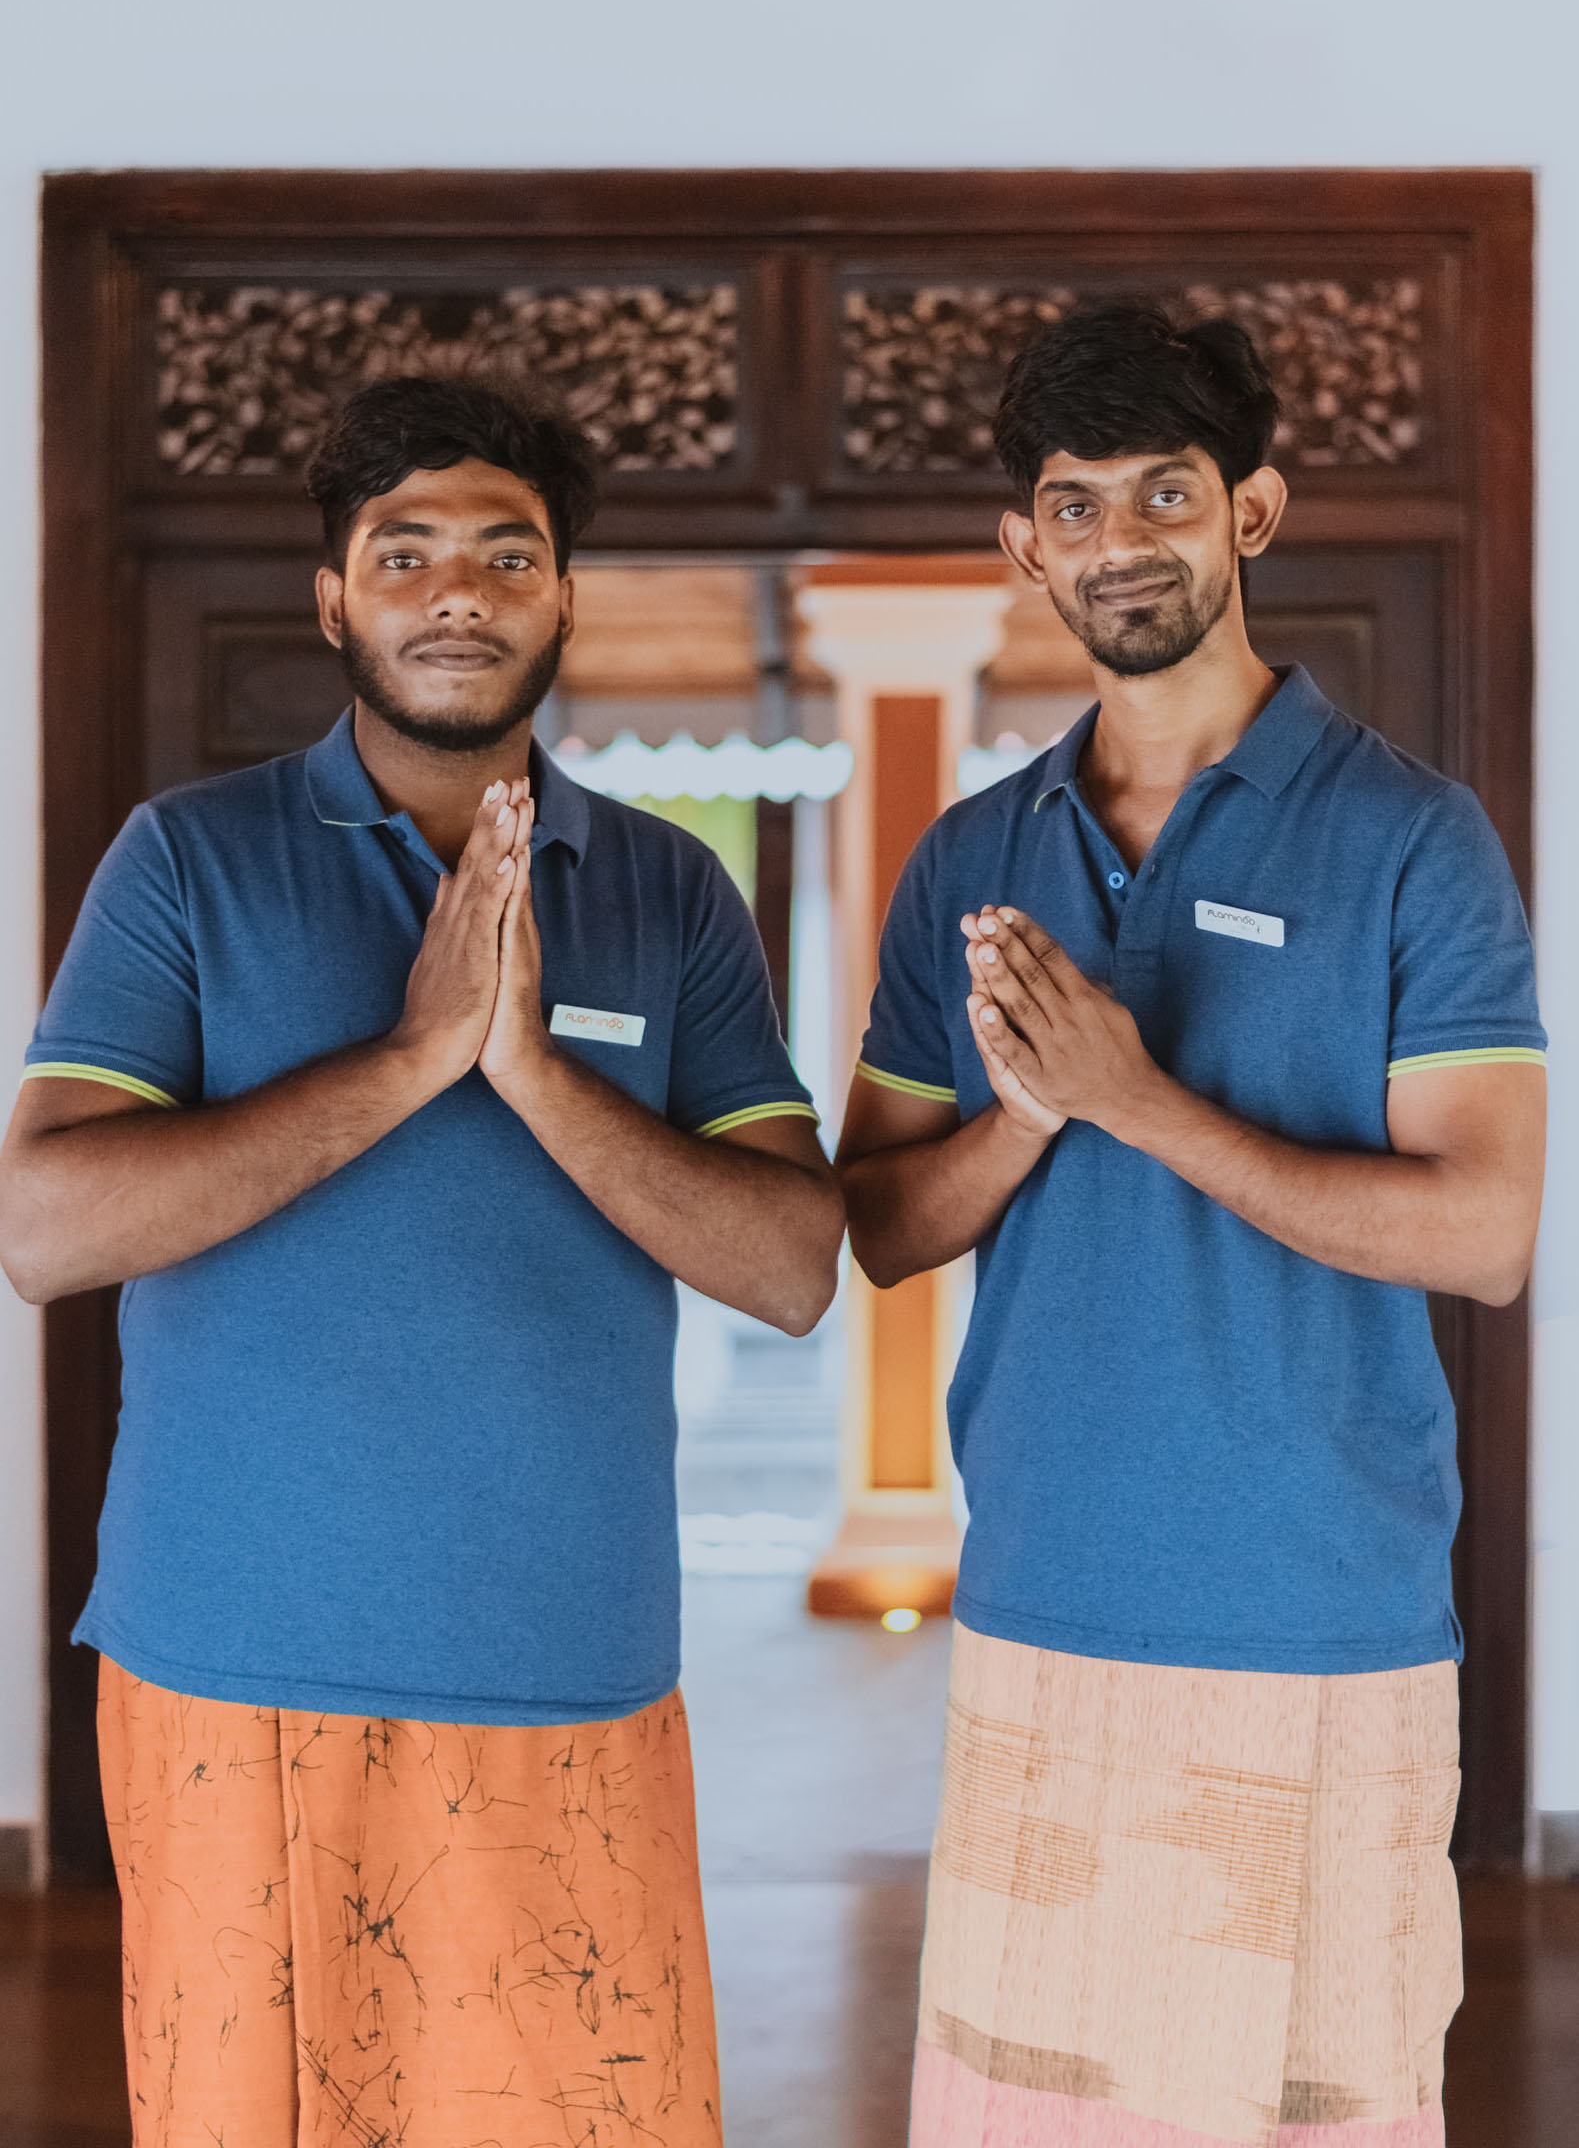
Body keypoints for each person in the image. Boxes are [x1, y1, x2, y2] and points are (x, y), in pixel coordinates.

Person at [0, 375, 842, 2148]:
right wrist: (405, 1057)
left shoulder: (669, 895)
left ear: (558, 598)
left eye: (504, 555)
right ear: (335, 599)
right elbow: (48, 1229)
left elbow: (789, 1268)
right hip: (234, 1656)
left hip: (564, 1660)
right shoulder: (188, 863)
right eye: (407, 553)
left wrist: (531, 1071)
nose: (457, 592)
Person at [837, 305, 1545, 2148]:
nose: (1119, 540)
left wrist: (1145, 1101)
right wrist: (1031, 1115)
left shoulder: (1414, 836)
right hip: (1045, 1606)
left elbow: (1485, 1232)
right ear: (1023, 545)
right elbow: (881, 1230)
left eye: (1168, 493)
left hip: (1322, 1617)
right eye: (1075, 505)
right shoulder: (971, 858)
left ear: (1253, 512)